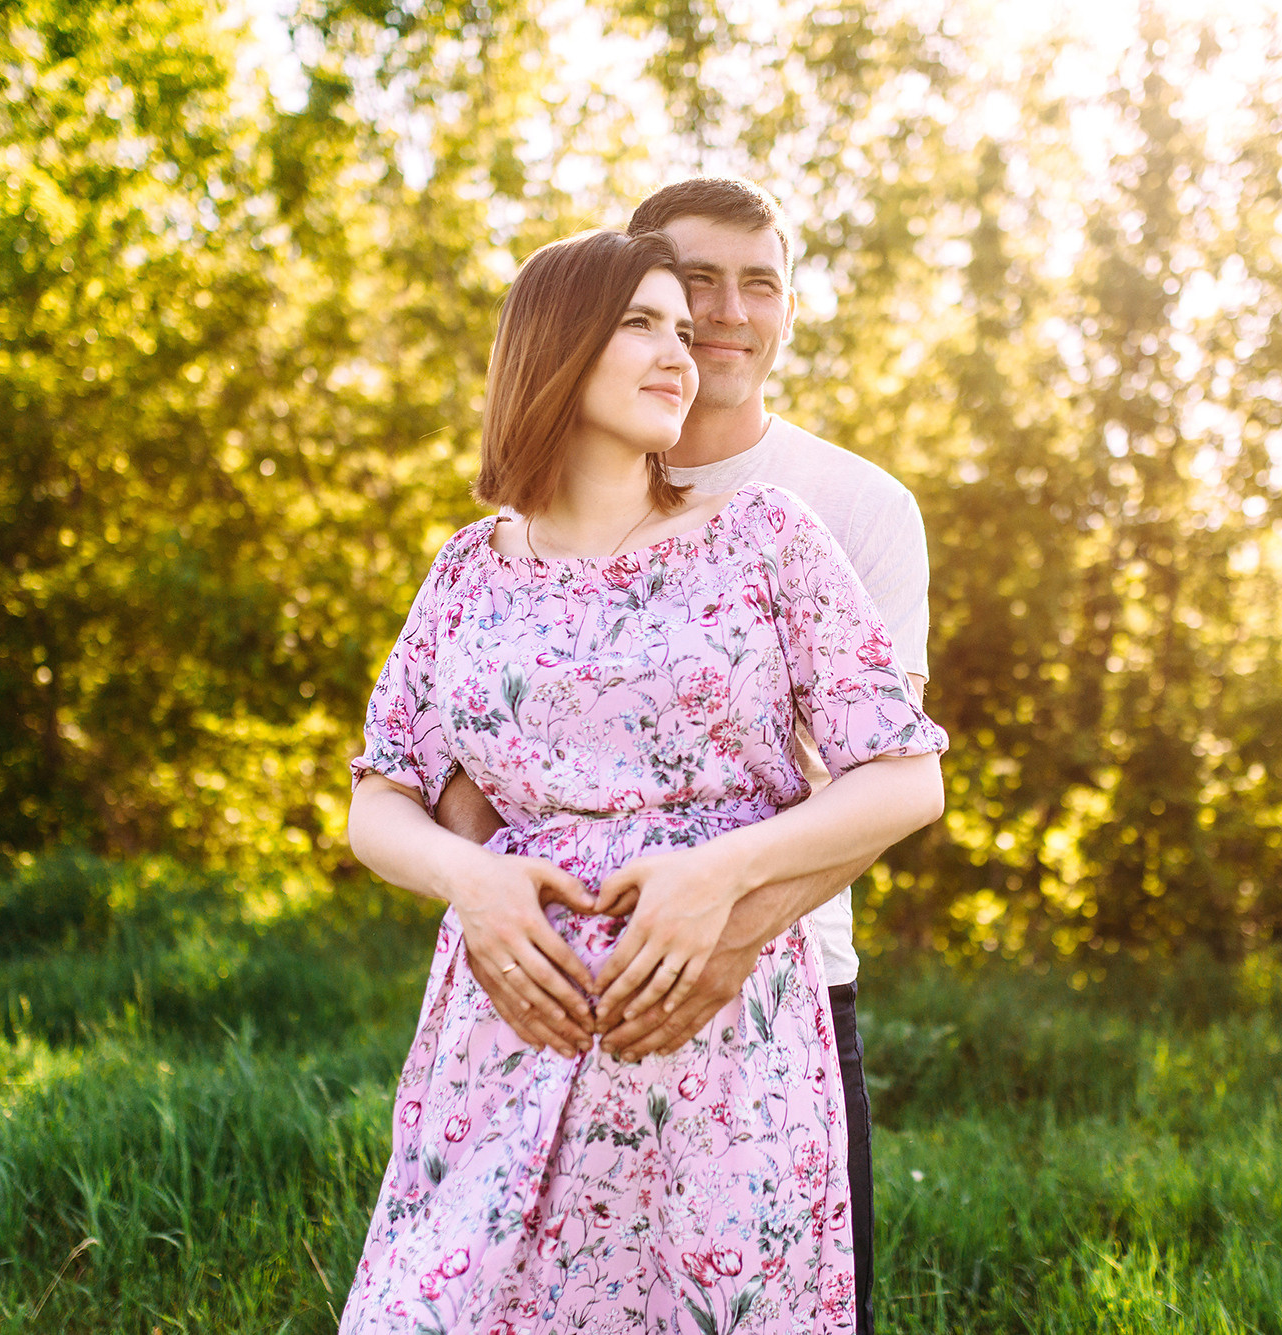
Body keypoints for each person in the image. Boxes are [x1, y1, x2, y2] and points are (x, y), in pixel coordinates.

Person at [340, 227, 946, 1333]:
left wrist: (723, 873)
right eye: (641, 324)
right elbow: (380, 797)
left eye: (682, 328)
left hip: (722, 1046)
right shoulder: (468, 571)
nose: (682, 352)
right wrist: (469, 880)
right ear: (556, 346)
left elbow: (905, 780)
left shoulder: (765, 536)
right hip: (508, 1034)